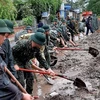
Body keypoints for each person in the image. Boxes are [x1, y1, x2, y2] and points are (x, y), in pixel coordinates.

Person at [0, 19, 33, 100]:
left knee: (17, 85)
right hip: (3, 75)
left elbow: (10, 58)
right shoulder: (21, 44)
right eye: (4, 34)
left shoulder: (6, 42)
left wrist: (13, 73)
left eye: (6, 34)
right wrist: (21, 95)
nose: (6, 37)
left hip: (6, 71)